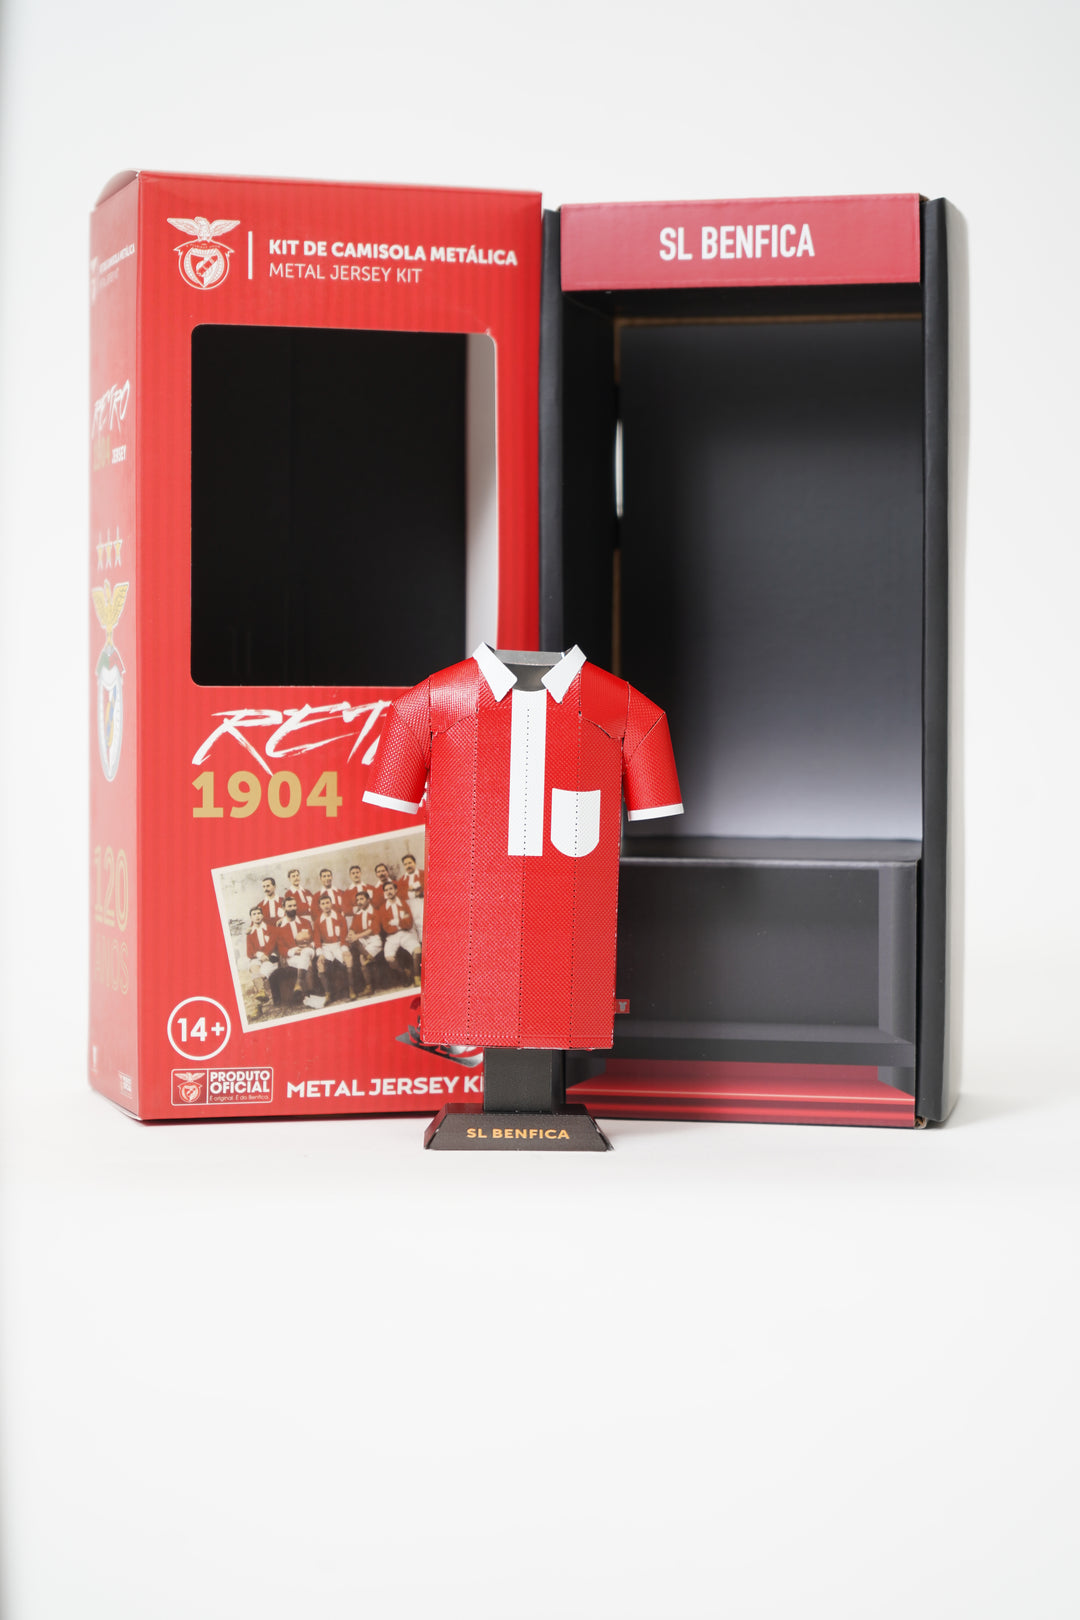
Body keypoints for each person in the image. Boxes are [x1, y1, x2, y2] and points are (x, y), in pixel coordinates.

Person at [274, 894, 318, 999]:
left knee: (306, 953)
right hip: (293, 955)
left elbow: (314, 938)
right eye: (289, 906)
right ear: (283, 908)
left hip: (308, 950)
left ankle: (299, 984)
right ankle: (309, 994)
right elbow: (281, 947)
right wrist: (293, 951)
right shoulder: (280, 927)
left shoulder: (305, 922)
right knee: (307, 963)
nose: (293, 908)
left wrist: (309, 945)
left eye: (294, 905)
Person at [314, 893, 355, 1000]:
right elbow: (317, 940)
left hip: (338, 944)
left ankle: (351, 990)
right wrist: (320, 954)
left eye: (328, 902)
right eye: (323, 904)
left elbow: (344, 935)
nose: (326, 905)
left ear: (331, 903)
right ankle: (328, 993)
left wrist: (345, 949)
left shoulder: (340, 917)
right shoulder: (318, 921)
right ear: (320, 906)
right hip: (326, 947)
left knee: (348, 958)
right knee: (320, 964)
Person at [380, 879, 421, 987]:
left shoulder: (403, 904)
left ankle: (417, 977)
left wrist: (395, 922)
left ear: (395, 890)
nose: (389, 892)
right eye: (386, 890)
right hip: (392, 937)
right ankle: (405, 974)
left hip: (406, 933)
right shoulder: (383, 908)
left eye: (391, 889)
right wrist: (401, 922)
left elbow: (408, 924)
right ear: (384, 893)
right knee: (389, 957)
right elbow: (386, 928)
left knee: (417, 949)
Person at [346, 888, 385, 997]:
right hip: (363, 941)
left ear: (368, 900)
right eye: (357, 900)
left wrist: (356, 936)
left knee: (362, 959)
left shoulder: (374, 912)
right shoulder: (358, 914)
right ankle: (368, 956)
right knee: (351, 941)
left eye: (362, 899)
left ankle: (369, 987)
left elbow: (372, 930)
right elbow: (353, 928)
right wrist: (350, 935)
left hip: (374, 940)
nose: (359, 902)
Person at [245, 904, 280, 1013]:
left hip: (270, 958)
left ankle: (258, 1007)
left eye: (259, 913)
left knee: (260, 976)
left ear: (263, 915)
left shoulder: (271, 929)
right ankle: (261, 993)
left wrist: (266, 955)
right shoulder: (250, 933)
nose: (257, 916)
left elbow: (272, 944)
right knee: (254, 966)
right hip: (257, 958)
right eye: (254, 914)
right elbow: (249, 952)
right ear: (251, 918)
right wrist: (260, 955)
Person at [397, 851, 425, 941]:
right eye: (405, 864)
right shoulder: (402, 880)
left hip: (421, 902)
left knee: (422, 924)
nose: (408, 866)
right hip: (409, 905)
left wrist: (419, 891)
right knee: (412, 927)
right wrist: (414, 893)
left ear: (414, 863)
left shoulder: (423, 874)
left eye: (410, 863)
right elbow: (400, 894)